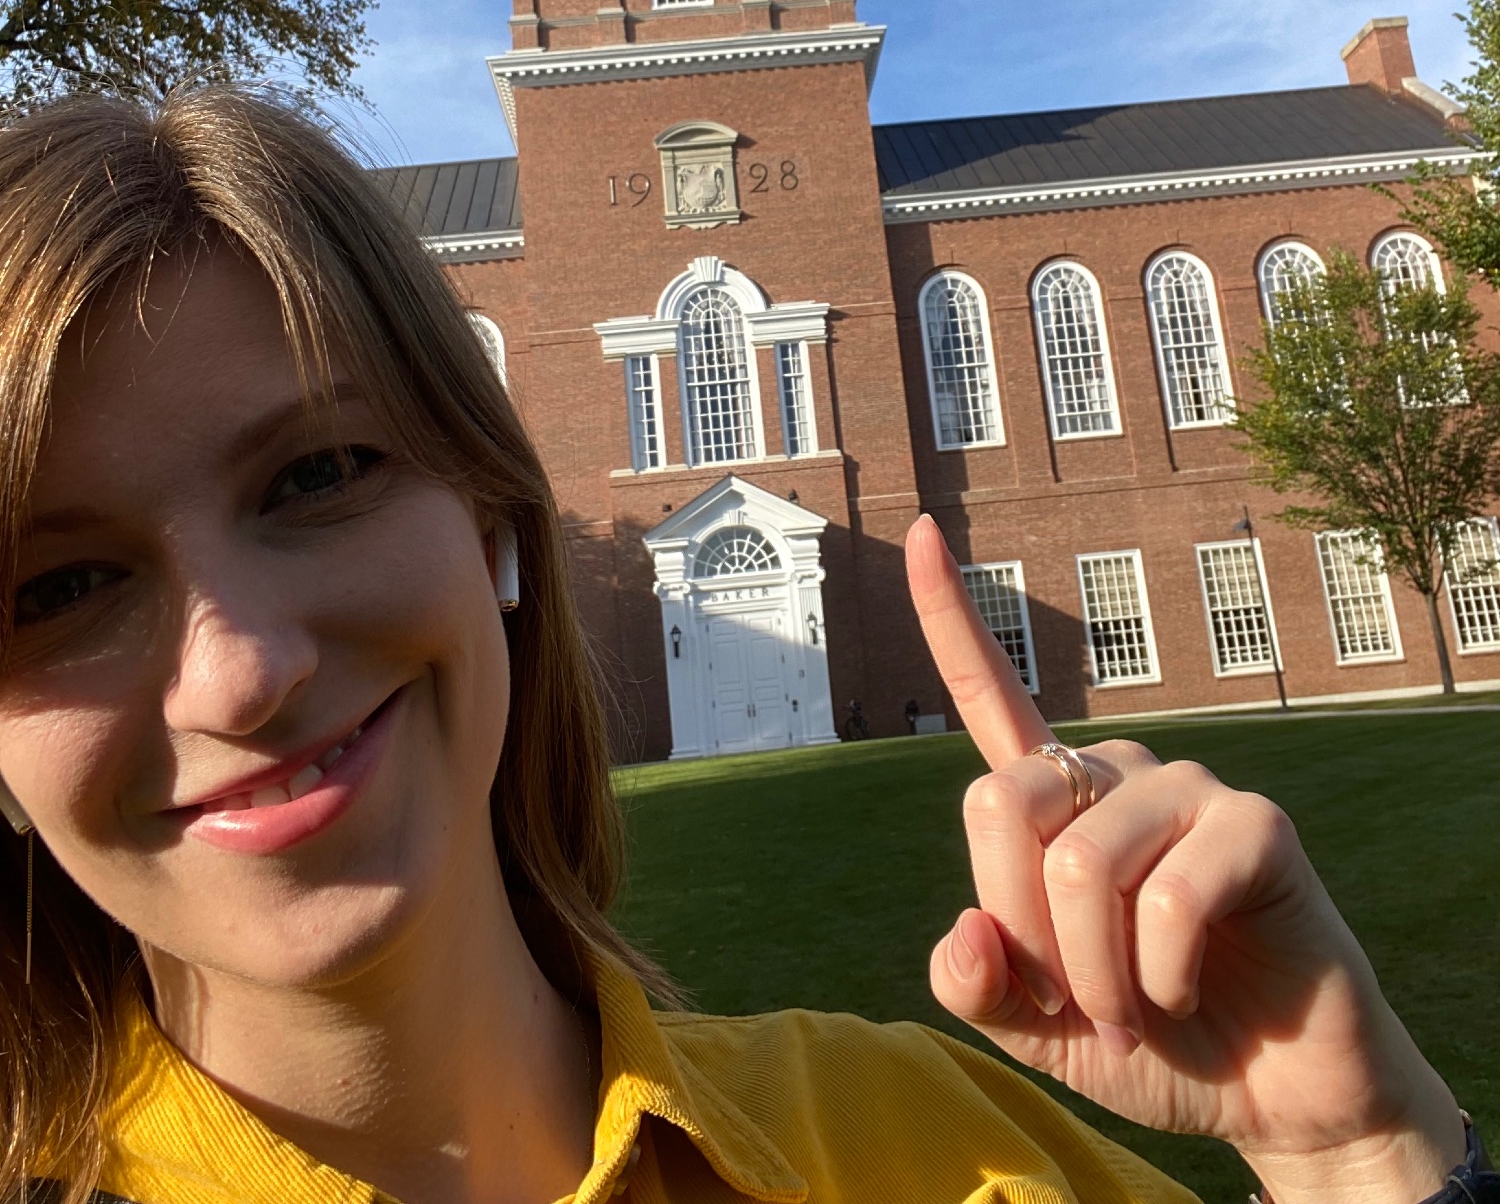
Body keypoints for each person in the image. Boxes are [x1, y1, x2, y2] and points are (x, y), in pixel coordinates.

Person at [0, 88, 1485, 1204]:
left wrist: (1360, 1158)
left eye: (319, 475)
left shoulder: (946, 1157)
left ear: (496, 520)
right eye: (58, 586)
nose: (240, 670)